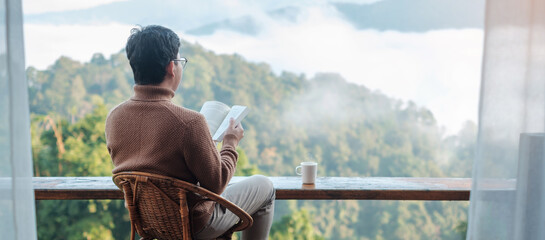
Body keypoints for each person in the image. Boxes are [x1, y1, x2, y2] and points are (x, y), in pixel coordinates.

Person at [105, 25, 275, 240]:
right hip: (194, 225)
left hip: (148, 223)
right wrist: (230, 143)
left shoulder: (114, 117)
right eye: (180, 61)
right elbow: (217, 184)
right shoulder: (188, 122)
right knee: (265, 187)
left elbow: (148, 167)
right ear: (171, 68)